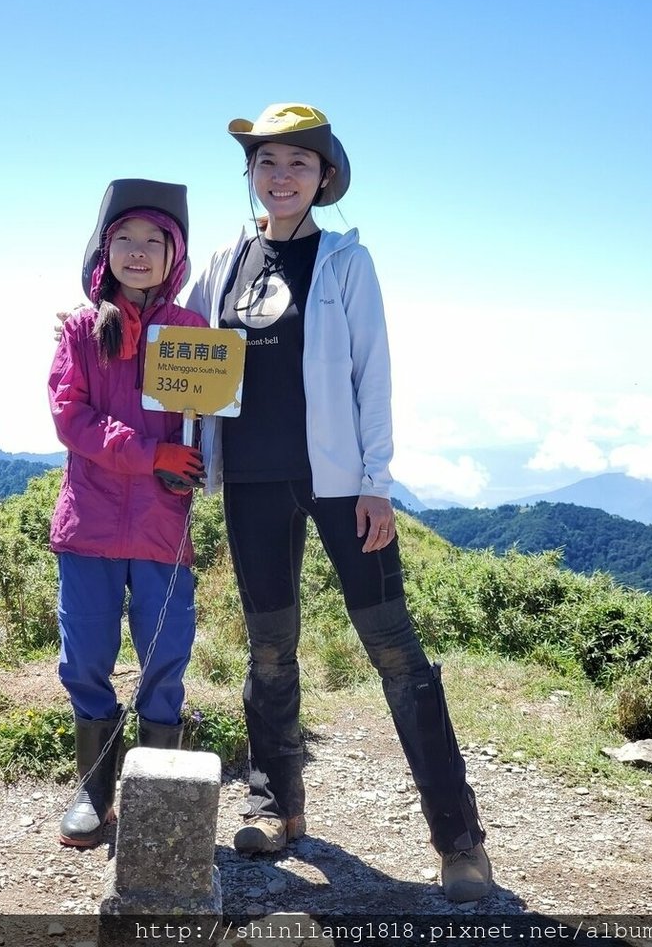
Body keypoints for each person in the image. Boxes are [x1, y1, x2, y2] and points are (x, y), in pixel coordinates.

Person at [183, 103, 493, 903]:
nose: (280, 176)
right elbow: (179, 351)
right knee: (266, 649)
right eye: (267, 162)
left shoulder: (346, 261)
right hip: (250, 478)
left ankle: (457, 838)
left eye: (298, 163)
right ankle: (275, 803)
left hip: (339, 482)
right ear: (250, 174)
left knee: (396, 653)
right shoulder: (222, 262)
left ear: (324, 178)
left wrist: (376, 482)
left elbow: (372, 372)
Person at [49, 178, 207, 849]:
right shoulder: (84, 329)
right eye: (124, 240)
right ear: (102, 249)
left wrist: (195, 458)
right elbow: (69, 416)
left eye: (153, 242)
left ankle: (158, 790)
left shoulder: (193, 334)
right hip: (87, 524)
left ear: (176, 255)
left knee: (164, 657)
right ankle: (93, 793)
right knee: (85, 656)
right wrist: (151, 455)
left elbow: (207, 422)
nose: (137, 253)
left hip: (161, 526)